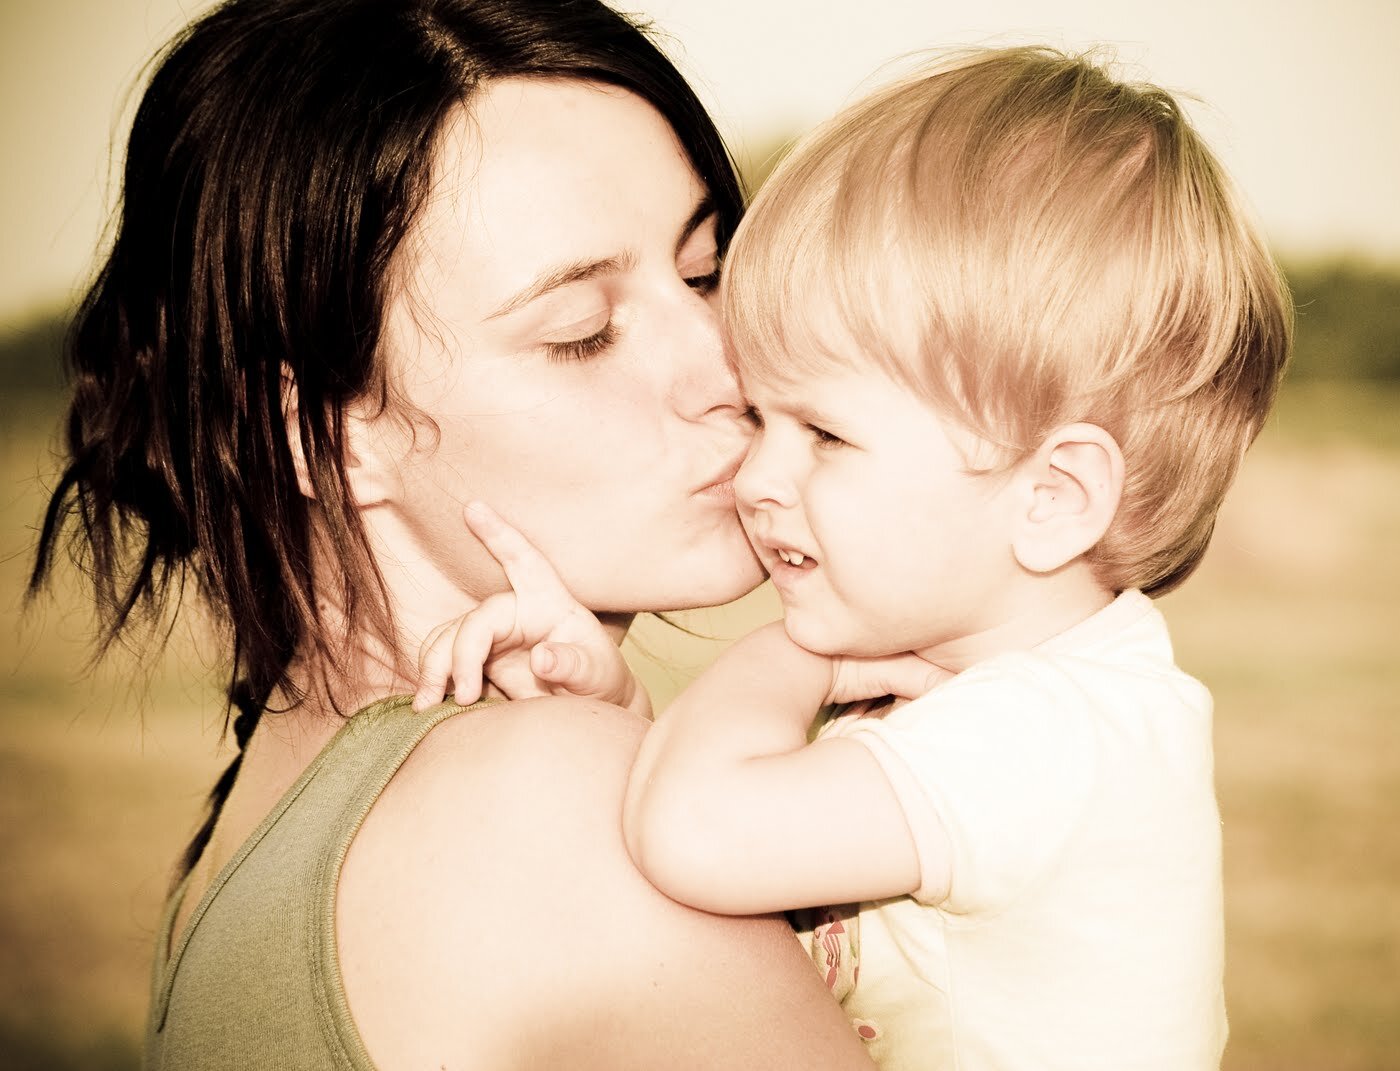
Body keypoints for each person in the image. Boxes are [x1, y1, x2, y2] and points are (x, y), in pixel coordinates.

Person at [28, 1, 878, 1067]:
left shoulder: (254, 839)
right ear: (323, 440)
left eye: (706, 271)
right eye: (582, 334)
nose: (729, 369)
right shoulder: (546, 802)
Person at [418, 46, 1293, 1070]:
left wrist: (794, 662)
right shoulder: (1003, 695)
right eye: (764, 414)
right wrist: (617, 712)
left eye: (824, 435)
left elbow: (697, 833)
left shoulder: (1044, 737)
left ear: (1050, 500)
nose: (756, 475)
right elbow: (761, 835)